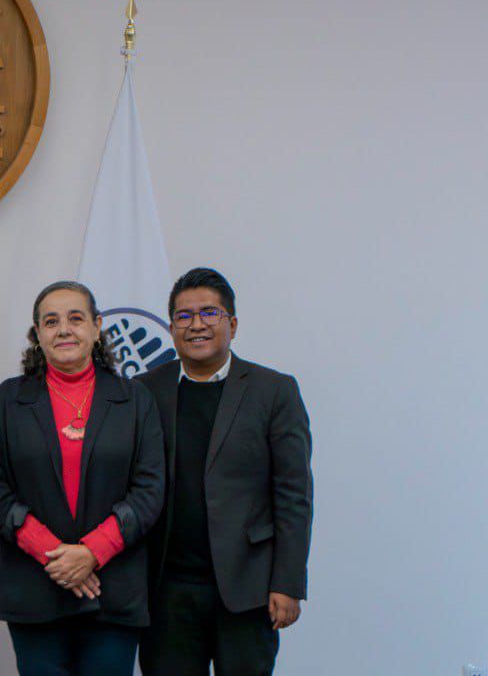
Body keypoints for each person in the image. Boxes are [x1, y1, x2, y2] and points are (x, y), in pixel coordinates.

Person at [0, 281, 166, 676]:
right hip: (35, 587)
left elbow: (150, 490)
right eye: (51, 321)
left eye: (75, 318)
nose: (63, 329)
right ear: (38, 334)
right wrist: (54, 554)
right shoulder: (7, 401)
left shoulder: (135, 400)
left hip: (113, 591)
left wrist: (93, 552)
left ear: (97, 327)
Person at [136, 268, 313, 676]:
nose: (196, 324)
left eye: (209, 313)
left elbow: (294, 495)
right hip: (167, 590)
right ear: (171, 328)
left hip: (248, 589)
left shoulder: (274, 390)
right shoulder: (145, 390)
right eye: (183, 316)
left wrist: (287, 583)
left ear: (232, 324)